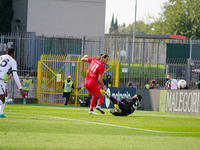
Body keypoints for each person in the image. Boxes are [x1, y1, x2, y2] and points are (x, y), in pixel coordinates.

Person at [0, 47, 25, 118]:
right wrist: (20, 88)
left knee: (4, 95)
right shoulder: (12, 61)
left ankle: (1, 113)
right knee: (2, 99)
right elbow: (15, 75)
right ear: (13, 53)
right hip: (0, 80)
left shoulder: (1, 57)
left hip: (2, 81)